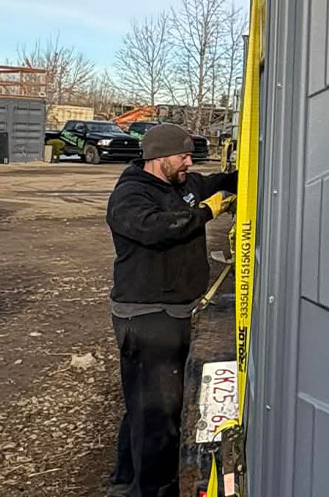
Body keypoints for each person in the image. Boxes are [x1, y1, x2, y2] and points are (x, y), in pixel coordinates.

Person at [105, 124, 237, 497]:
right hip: (146, 317)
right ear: (159, 159)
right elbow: (157, 228)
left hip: (174, 311)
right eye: (183, 157)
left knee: (145, 407)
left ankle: (125, 480)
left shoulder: (186, 185)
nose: (189, 163)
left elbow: (224, 179)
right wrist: (205, 214)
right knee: (158, 416)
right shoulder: (130, 196)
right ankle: (153, 490)